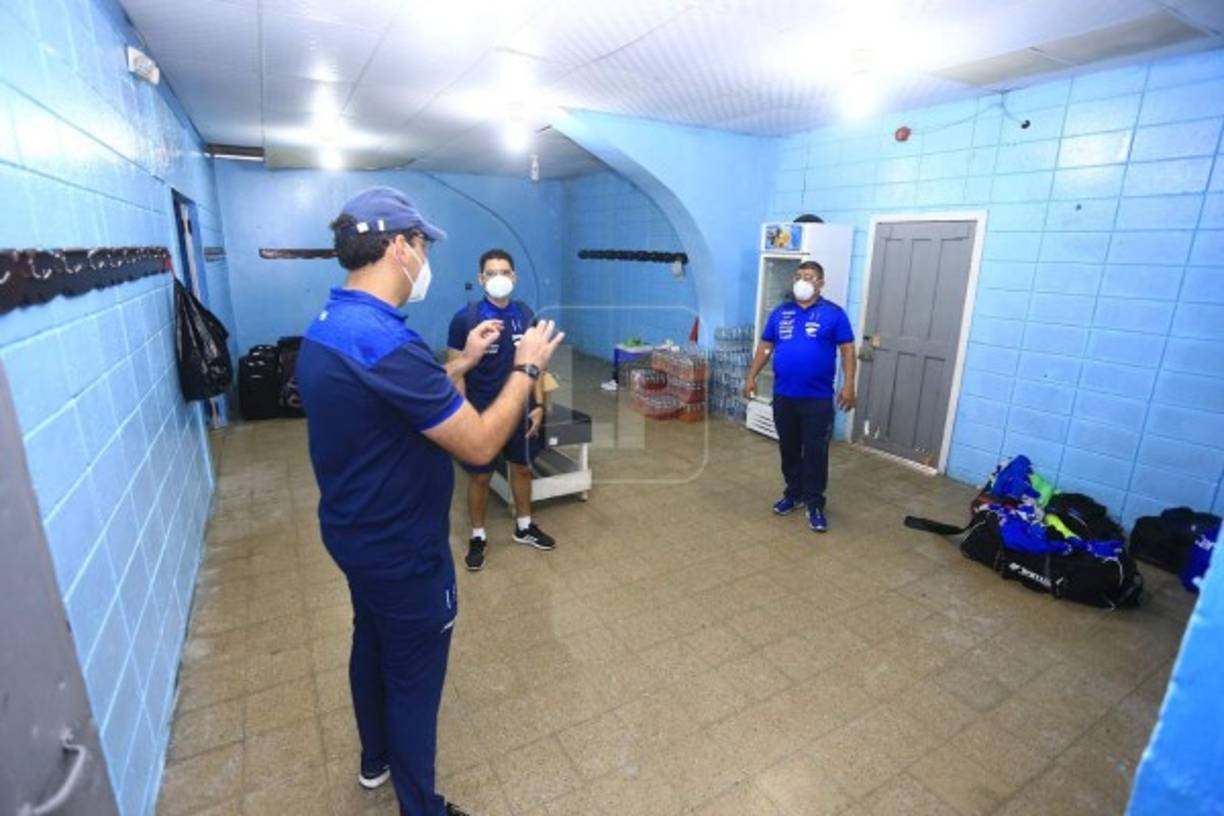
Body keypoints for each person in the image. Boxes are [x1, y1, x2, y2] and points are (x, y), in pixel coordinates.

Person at [295, 186, 564, 816]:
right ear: (398, 246)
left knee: (372, 639)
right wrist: (526, 371)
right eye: (421, 245)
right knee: (414, 681)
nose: (424, 257)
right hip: (402, 548)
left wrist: (463, 363)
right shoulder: (385, 339)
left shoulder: (334, 325)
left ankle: (374, 761)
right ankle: (423, 807)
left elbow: (396, 394)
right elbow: (475, 446)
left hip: (353, 532)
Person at [446, 249, 555, 572]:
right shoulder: (465, 318)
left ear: (514, 277)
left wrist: (538, 406)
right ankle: (478, 535)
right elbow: (455, 368)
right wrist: (463, 416)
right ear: (481, 279)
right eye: (491, 273)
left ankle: (524, 526)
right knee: (480, 476)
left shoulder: (525, 313)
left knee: (522, 469)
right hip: (481, 415)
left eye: (504, 272)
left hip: (521, 411)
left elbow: (534, 364)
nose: (499, 278)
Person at [744, 260, 856, 533]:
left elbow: (848, 351)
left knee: (816, 452)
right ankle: (793, 494)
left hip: (817, 399)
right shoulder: (781, 312)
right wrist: (751, 376)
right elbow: (766, 346)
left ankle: (815, 503)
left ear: (820, 283)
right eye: (799, 276)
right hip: (784, 396)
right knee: (789, 449)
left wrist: (849, 385)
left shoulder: (834, 314)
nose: (802, 280)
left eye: (809, 276)